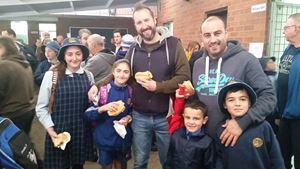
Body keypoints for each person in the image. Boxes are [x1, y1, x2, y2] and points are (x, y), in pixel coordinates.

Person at [88, 4, 190, 169]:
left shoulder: (173, 45)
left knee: (169, 161)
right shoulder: (134, 49)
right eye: (139, 23)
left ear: (155, 20)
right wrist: (97, 85)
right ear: (135, 26)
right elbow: (120, 71)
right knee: (140, 161)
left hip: (166, 116)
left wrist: (157, 86)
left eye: (146, 20)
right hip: (139, 115)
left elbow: (184, 77)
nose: (144, 26)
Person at [192, 16, 276, 146]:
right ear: (202, 38)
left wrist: (242, 122)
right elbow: (200, 100)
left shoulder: (246, 60)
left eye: (217, 33)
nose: (213, 40)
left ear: (226, 33)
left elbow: (269, 96)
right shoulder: (198, 64)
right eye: (207, 35)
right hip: (205, 142)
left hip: (236, 141)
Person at [35, 37, 94, 169]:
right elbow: (41, 107)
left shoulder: (89, 76)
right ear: (63, 56)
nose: (74, 58)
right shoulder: (52, 76)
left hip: (81, 131)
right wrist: (51, 130)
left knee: (78, 166)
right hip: (57, 130)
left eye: (78, 54)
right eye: (70, 54)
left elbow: (91, 104)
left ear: (83, 55)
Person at [216, 81, 285, 169]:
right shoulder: (221, 129)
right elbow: (218, 159)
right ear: (224, 104)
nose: (237, 104)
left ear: (249, 103)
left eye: (243, 99)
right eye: (231, 100)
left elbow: (276, 159)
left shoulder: (264, 127)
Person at [84, 59, 133, 169]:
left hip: (123, 140)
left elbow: (133, 111)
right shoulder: (102, 91)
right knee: (107, 166)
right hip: (105, 139)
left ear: (130, 74)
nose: (122, 74)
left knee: (121, 165)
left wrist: (129, 117)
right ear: (113, 72)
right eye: (118, 71)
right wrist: (102, 108)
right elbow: (87, 114)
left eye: (126, 72)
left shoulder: (131, 91)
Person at [166, 93, 215, 169]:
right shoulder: (176, 135)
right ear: (183, 117)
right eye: (188, 117)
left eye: (196, 118)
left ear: (204, 120)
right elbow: (169, 159)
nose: (191, 122)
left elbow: (209, 165)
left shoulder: (207, 142)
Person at [277, 13, 300, 169]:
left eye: (286, 27)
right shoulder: (288, 50)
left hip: (298, 118)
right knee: (281, 156)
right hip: (284, 115)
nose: (283, 31)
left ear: (297, 28)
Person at [0, 37, 36, 134]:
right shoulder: (24, 63)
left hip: (11, 114)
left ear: (3, 48)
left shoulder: (4, 65)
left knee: (9, 145)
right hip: (27, 111)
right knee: (22, 142)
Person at [259, 56, 278, 133]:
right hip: (269, 113)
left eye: (273, 61)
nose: (273, 63)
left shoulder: (275, 77)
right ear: (264, 66)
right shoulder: (266, 79)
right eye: (270, 62)